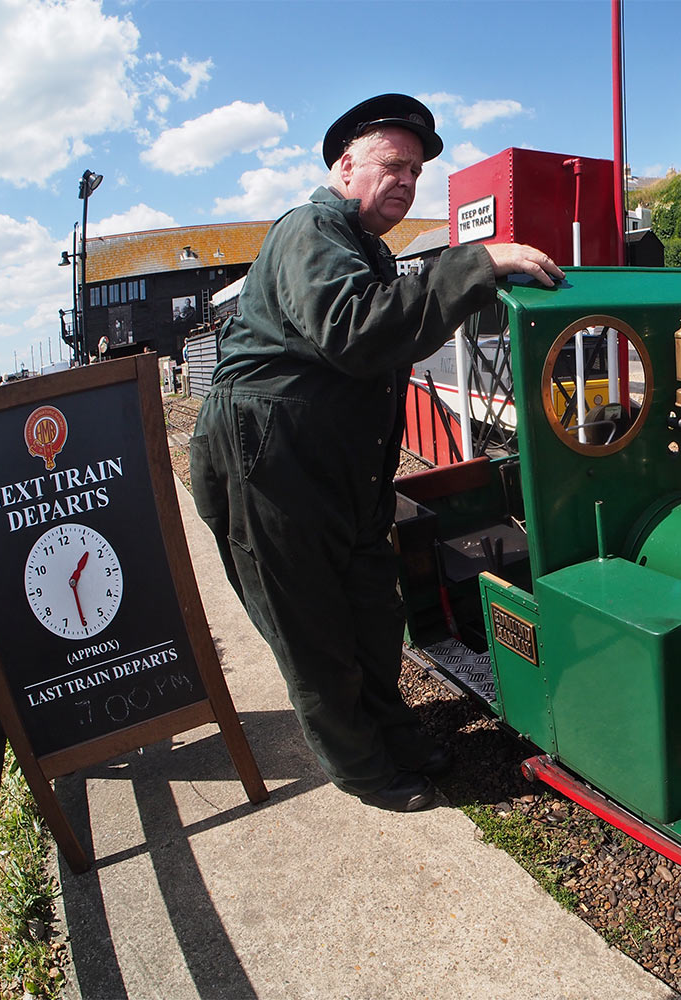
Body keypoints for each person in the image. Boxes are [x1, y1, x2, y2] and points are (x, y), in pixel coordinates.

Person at [189, 94, 563, 812]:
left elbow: (387, 329)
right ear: (344, 166)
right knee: (313, 626)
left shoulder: (367, 248)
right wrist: (474, 264)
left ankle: (394, 734)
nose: (406, 181)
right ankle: (361, 767)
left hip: (337, 466)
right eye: (393, 164)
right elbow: (357, 331)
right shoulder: (310, 229)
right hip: (271, 464)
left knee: (370, 609)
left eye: (416, 172)